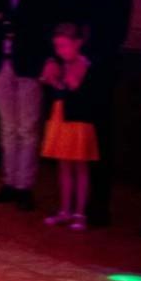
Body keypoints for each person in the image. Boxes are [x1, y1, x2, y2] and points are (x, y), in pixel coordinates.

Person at [58, 0, 133, 226]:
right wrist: (61, 58)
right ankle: (70, 204)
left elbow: (116, 29)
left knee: (98, 138)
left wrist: (85, 59)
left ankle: (96, 206)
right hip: (68, 70)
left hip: (99, 71)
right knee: (70, 138)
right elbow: (60, 23)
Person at [0, 0, 58, 211]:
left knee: (28, 127)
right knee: (8, 126)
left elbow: (47, 30)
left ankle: (25, 185)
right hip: (0, 63)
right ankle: (9, 181)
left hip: (29, 64)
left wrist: (45, 59)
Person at [40, 24, 101, 232]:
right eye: (57, 47)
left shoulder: (83, 64)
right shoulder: (59, 62)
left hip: (79, 120)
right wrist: (53, 77)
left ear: (77, 43)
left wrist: (65, 77)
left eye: (64, 46)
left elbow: (78, 88)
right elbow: (56, 86)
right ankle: (65, 209)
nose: (60, 51)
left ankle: (80, 212)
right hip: (61, 116)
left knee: (80, 167)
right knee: (64, 165)